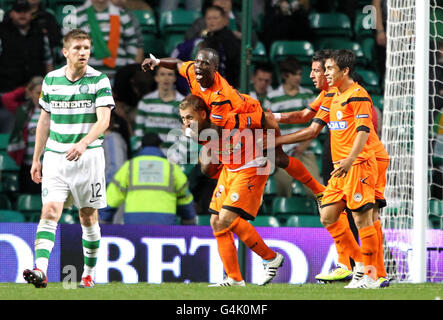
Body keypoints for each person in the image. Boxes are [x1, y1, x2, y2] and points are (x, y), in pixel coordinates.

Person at [269, 50, 390, 289]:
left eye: (323, 69)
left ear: (342, 70)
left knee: (367, 216)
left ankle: (373, 273)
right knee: (329, 214)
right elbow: (305, 116)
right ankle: (358, 266)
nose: (318, 74)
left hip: (364, 160)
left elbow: (360, 131)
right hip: (344, 164)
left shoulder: (356, 95)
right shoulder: (331, 95)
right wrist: (272, 115)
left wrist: (276, 142)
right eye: (318, 70)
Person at [141, 48, 325, 203]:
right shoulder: (192, 70)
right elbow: (177, 63)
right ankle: (239, 175)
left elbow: (215, 132)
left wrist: (191, 132)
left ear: (214, 68)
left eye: (204, 64)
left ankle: (318, 190)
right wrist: (157, 61)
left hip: (252, 118)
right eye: (197, 62)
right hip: (230, 125)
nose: (198, 66)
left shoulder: (220, 96)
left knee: (279, 159)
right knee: (206, 167)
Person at [23, 29, 114, 289]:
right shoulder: (51, 80)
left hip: (89, 158)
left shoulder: (99, 80)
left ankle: (89, 273)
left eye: (86, 48)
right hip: (56, 157)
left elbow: (104, 119)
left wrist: (84, 143)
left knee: (88, 216)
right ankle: (40, 269)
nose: (83, 52)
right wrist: (37, 157)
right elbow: (45, 119)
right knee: (50, 210)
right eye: (77, 48)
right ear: (66, 52)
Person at [179, 94, 284, 286]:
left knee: (227, 217)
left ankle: (271, 258)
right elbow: (208, 161)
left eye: (189, 118)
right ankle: (234, 278)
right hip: (230, 169)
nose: (186, 123)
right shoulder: (197, 130)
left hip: (251, 165)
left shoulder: (221, 119)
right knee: (216, 221)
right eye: (183, 118)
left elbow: (263, 122)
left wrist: (273, 151)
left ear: (203, 114)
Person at [105, 132, 197, 225]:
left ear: (142, 147)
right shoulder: (172, 168)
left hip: (134, 221)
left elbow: (112, 196)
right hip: (165, 221)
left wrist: (104, 220)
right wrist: (188, 221)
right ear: (160, 146)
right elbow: (185, 198)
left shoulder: (129, 166)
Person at [268, 58, 320, 198]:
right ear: (285, 76)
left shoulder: (308, 95)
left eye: (299, 74)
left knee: (316, 190)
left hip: (305, 150)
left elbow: (317, 123)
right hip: (283, 153)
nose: (299, 77)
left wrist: (304, 145)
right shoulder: (272, 98)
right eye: (295, 74)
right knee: (282, 187)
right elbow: (268, 127)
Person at [67, 0, 138, 80]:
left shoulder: (123, 15)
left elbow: (132, 42)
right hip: (86, 78)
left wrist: (127, 69)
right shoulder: (75, 16)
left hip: (118, 77)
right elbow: (68, 46)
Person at [0, 0, 53, 92]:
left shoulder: (40, 32)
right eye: (18, 11)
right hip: (8, 89)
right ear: (11, 13)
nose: (22, 14)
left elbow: (48, 60)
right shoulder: (2, 31)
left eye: (26, 11)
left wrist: (50, 85)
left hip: (36, 89)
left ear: (31, 14)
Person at [134, 66, 184, 157]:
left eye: (170, 74)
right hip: (149, 156)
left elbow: (187, 132)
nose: (166, 78)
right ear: (156, 78)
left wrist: (179, 156)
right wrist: (142, 150)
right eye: (162, 74)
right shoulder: (145, 102)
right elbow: (139, 130)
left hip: (174, 157)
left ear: (175, 78)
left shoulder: (183, 103)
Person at [7, 76, 44, 194]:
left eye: (44, 93)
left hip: (50, 166)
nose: (41, 96)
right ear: (31, 93)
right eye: (38, 93)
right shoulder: (24, 110)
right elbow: (7, 99)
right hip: (29, 166)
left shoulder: (54, 110)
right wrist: (25, 89)